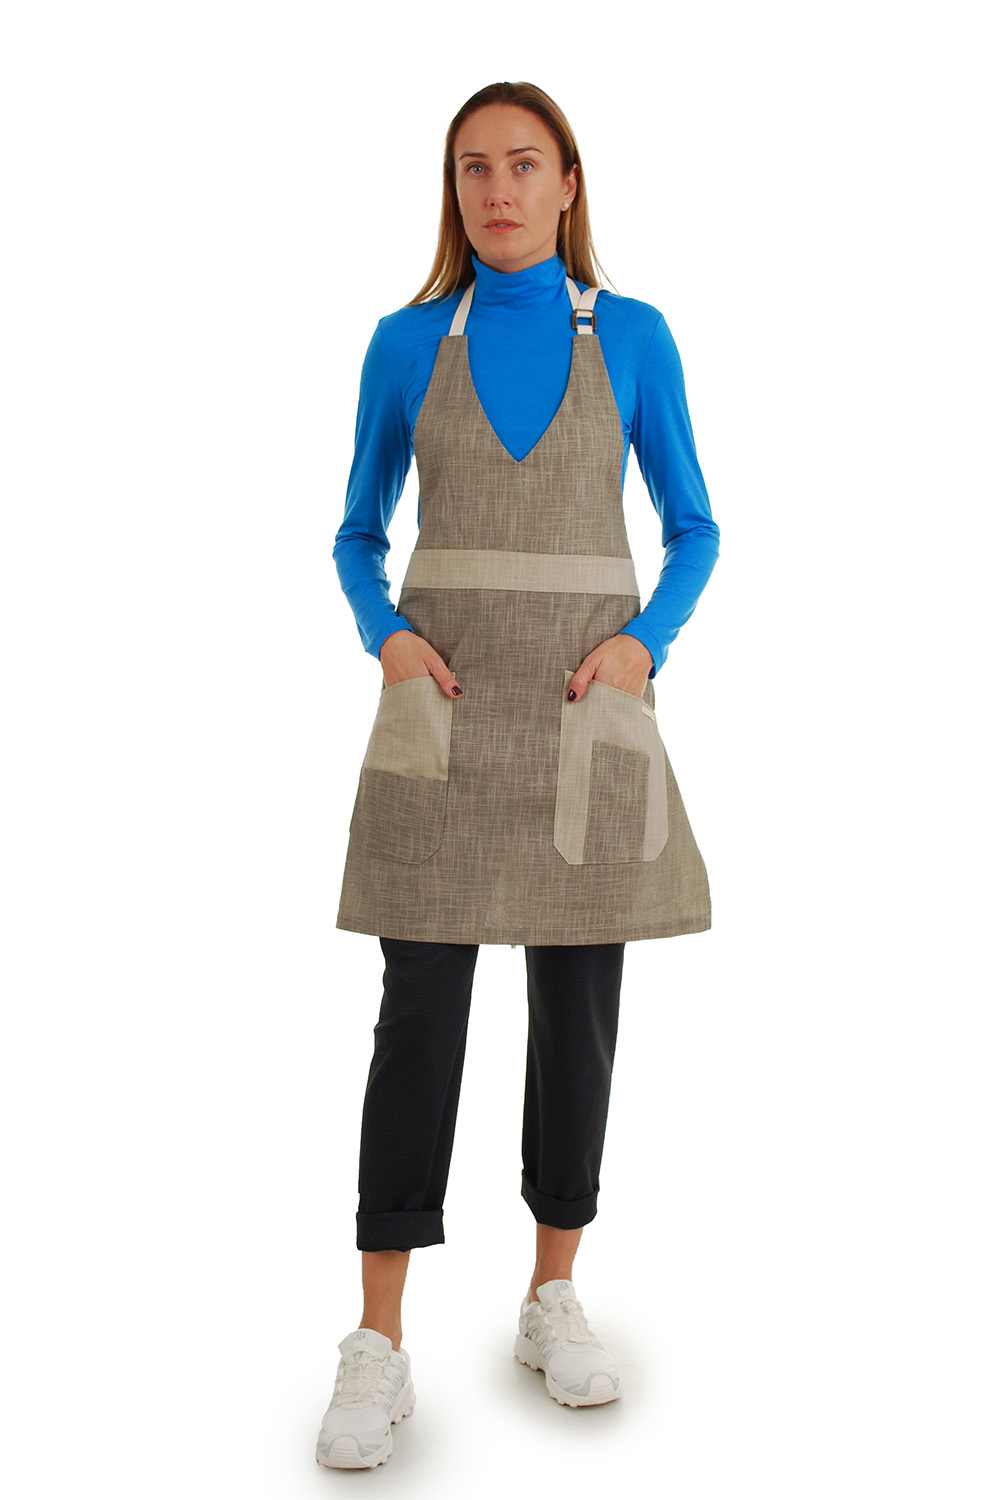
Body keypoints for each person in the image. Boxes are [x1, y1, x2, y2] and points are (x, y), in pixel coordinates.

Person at [316, 79, 720, 1469]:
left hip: (578, 714)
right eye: (474, 167)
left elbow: (696, 527)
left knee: (578, 1014)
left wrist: (642, 651)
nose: (498, 189)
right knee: (417, 1018)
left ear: (567, 183)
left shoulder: (637, 337)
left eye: (524, 164)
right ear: (455, 190)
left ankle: (553, 1294)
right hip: (444, 711)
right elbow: (355, 533)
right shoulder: (405, 343)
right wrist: (384, 635)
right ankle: (378, 1338)